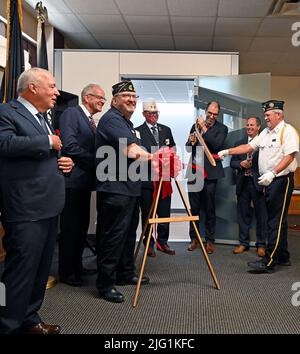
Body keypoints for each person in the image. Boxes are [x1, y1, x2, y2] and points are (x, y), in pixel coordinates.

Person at [0, 67, 73, 334]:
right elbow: (4, 144)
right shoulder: (7, 112)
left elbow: (45, 153)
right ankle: (6, 326)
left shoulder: (43, 117)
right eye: (52, 86)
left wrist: (64, 161)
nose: (56, 92)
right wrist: (47, 142)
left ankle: (30, 319)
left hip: (48, 205)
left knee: (40, 271)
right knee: (18, 273)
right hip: (25, 208)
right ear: (33, 87)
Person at [218, 100, 299, 273]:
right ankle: (283, 256)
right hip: (268, 181)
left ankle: (269, 261)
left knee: (274, 221)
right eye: (265, 114)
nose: (266, 117)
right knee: (278, 220)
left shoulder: (288, 131)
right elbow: (249, 146)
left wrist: (273, 173)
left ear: (279, 114)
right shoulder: (266, 133)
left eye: (268, 115)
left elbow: (290, 156)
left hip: (280, 181)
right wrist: (227, 152)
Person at [95, 80, 152, 303]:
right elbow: (130, 150)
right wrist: (156, 157)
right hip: (115, 189)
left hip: (129, 189)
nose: (131, 99)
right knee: (113, 236)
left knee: (128, 234)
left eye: (134, 96)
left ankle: (125, 273)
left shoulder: (126, 123)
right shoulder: (111, 120)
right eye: (126, 96)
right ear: (115, 100)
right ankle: (105, 284)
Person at [58, 84, 106, 287]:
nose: (102, 101)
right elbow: (70, 146)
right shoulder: (72, 114)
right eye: (100, 98)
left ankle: (77, 266)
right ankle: (67, 272)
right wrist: (98, 160)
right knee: (71, 229)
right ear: (87, 97)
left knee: (81, 228)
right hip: (73, 182)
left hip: (84, 183)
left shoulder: (90, 121)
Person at [186, 101, 228, 254]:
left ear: (218, 115)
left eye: (215, 114)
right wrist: (191, 141)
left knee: (209, 207)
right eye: (209, 113)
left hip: (211, 173)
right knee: (194, 208)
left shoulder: (222, 129)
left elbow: (216, 145)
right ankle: (194, 238)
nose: (211, 116)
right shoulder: (194, 126)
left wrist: (203, 127)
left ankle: (210, 240)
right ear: (205, 111)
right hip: (194, 172)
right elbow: (188, 147)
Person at [135, 100, 176, 257]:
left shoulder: (166, 129)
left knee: (165, 212)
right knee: (147, 213)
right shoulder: (137, 131)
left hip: (164, 179)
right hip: (147, 180)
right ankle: (149, 242)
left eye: (156, 113)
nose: (154, 116)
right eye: (151, 113)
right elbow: (137, 155)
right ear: (144, 114)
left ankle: (163, 242)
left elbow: (172, 148)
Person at [230, 117, 267, 256]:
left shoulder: (264, 143)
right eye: (247, 125)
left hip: (258, 183)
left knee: (261, 215)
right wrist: (240, 164)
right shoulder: (239, 143)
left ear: (258, 127)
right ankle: (243, 243)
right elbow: (233, 162)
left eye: (252, 125)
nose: (249, 127)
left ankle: (261, 245)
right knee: (243, 215)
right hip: (242, 183)